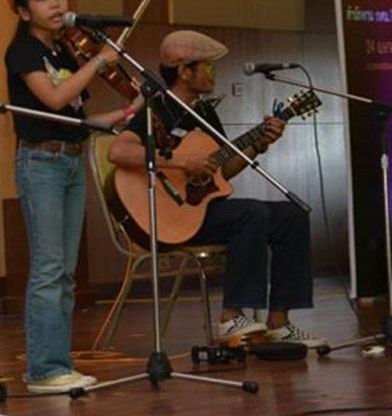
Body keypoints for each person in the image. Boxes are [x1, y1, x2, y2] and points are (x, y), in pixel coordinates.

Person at [107, 30, 325, 347]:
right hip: (169, 216)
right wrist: (181, 163)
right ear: (184, 71)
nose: (213, 72)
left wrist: (259, 144)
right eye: (206, 66)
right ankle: (231, 317)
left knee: (292, 215)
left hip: (201, 211)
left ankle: (280, 322)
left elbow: (222, 171)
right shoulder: (158, 108)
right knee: (251, 213)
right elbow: (119, 151)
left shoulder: (205, 112)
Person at [4, 0, 143, 394]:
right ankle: (44, 370)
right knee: (49, 269)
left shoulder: (64, 52)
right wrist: (99, 61)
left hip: (71, 159)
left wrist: (128, 111)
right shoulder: (23, 51)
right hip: (40, 163)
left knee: (65, 272)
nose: (55, 3)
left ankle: (58, 365)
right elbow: (55, 98)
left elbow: (80, 119)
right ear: (23, 11)